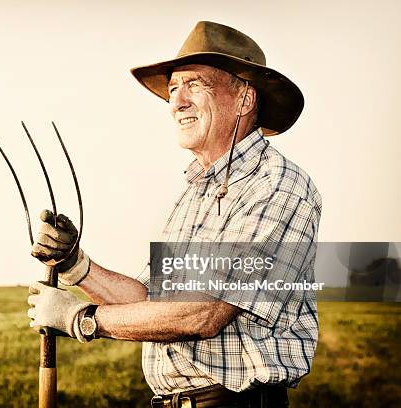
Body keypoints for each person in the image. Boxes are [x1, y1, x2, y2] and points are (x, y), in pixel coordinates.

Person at [27, 21, 321, 407]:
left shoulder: (279, 185)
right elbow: (152, 299)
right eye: (173, 89)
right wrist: (76, 265)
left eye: (195, 85)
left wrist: (84, 319)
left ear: (245, 99)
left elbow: (205, 312)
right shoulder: (192, 194)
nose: (177, 102)